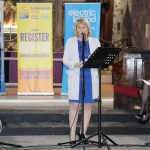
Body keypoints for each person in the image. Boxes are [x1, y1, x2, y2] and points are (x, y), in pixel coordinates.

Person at [63, 18, 100, 144]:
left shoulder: (95, 42)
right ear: (76, 29)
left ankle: (83, 135)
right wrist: (74, 64)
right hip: (77, 75)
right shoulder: (71, 41)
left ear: (88, 29)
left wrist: (93, 59)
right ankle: (72, 136)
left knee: (88, 105)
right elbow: (65, 59)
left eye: (84, 27)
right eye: (79, 27)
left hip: (91, 76)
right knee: (74, 105)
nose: (82, 29)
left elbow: (100, 60)